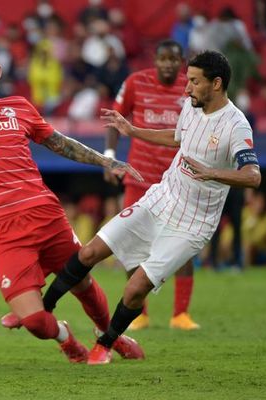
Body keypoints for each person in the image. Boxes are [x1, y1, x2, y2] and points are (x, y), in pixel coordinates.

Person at [0, 40, 145, 363]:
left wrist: (105, 161)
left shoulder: (20, 106)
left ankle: (111, 338)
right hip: (1, 228)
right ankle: (65, 337)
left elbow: (59, 143)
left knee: (83, 283)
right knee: (35, 321)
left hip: (45, 214)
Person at [43, 50, 261, 364]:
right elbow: (177, 138)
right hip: (161, 198)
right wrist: (133, 131)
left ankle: (105, 344)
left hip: (193, 222)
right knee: (89, 252)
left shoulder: (236, 126)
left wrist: (213, 172)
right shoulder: (191, 105)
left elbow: (253, 176)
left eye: (194, 82)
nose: (186, 89)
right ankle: (42, 309)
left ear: (216, 84)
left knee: (135, 289)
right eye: (187, 81)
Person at [104, 39, 199, 331]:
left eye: (174, 59)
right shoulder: (135, 83)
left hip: (178, 180)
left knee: (183, 244)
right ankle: (139, 313)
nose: (168, 64)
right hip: (139, 177)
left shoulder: (192, 88)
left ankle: (180, 314)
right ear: (155, 61)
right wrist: (109, 156)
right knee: (132, 245)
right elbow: (115, 118)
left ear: (181, 62)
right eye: (163, 59)